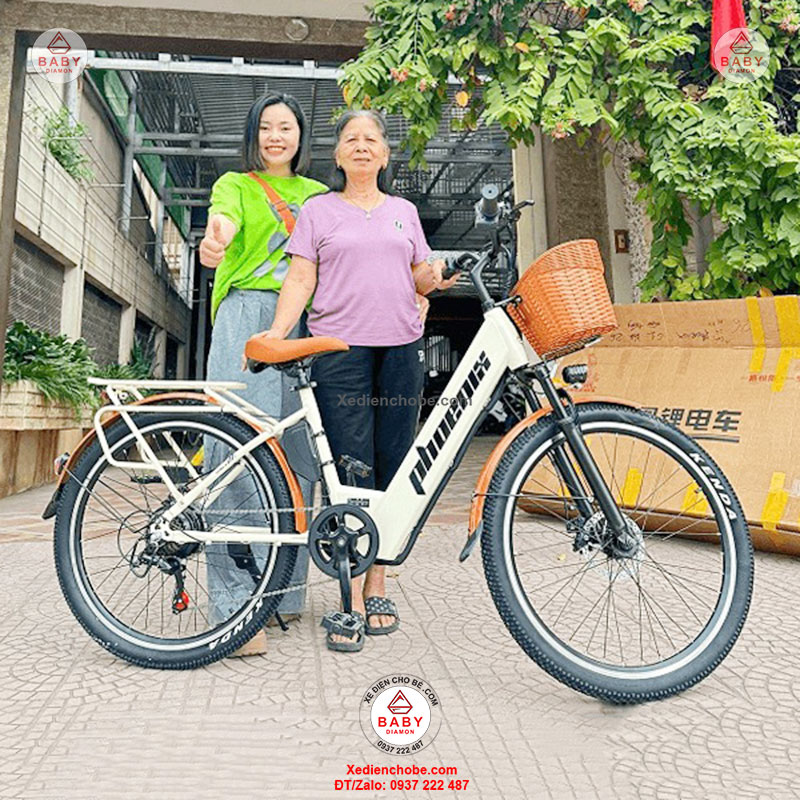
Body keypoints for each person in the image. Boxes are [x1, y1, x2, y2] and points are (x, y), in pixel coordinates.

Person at [263, 109, 457, 652]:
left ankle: (377, 583)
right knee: (350, 467)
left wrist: (435, 277)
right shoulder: (319, 210)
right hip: (339, 351)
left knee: (393, 463)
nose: (362, 146)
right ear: (339, 154)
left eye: (372, 139)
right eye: (352, 139)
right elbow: (301, 275)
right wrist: (278, 331)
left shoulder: (403, 212)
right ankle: (348, 595)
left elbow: (418, 275)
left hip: (400, 350)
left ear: (385, 154)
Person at [199, 93, 326, 657]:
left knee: (299, 457)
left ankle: (281, 593)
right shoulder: (236, 184)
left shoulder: (318, 195)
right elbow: (222, 222)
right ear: (254, 134)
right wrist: (216, 240)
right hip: (247, 316)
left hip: (304, 323)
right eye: (267, 127)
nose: (276, 136)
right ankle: (235, 606)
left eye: (286, 127)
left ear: (300, 136)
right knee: (235, 452)